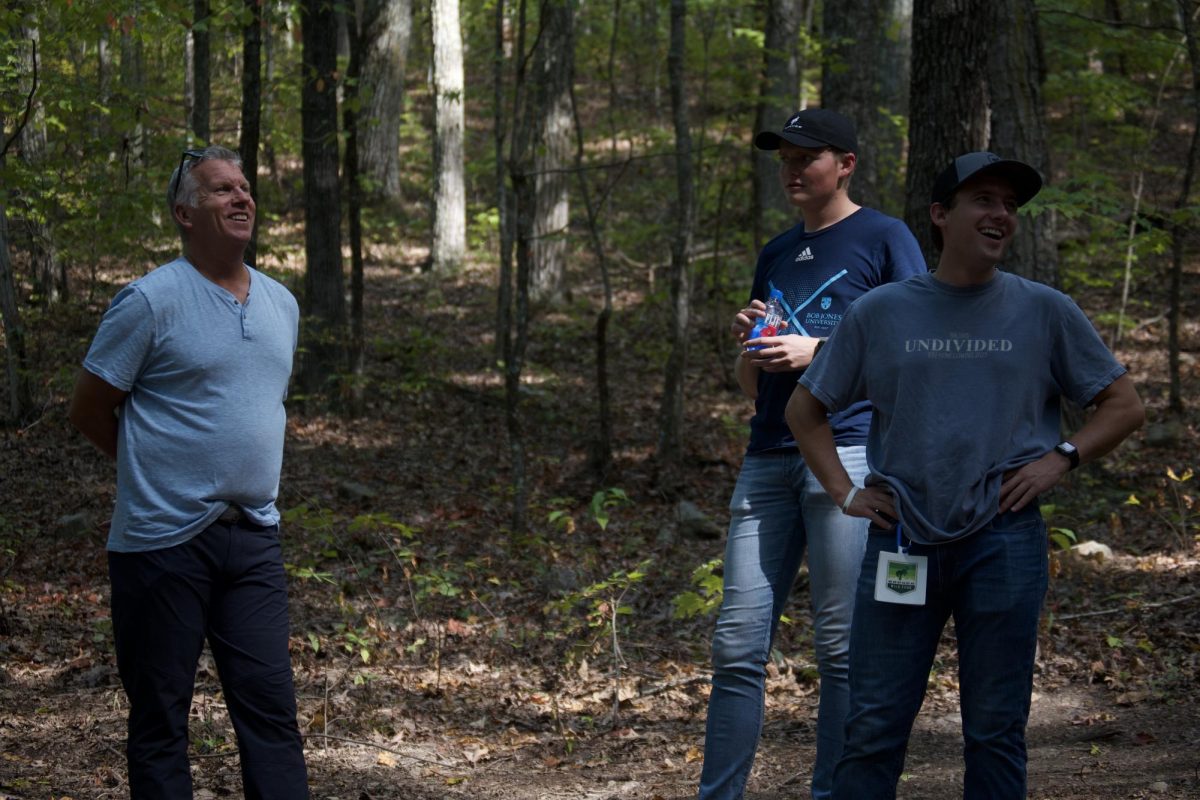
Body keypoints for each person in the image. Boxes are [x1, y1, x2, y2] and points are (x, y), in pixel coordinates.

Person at [786, 151, 1145, 799]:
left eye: (1009, 205)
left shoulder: (1044, 310)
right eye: (983, 200)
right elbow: (805, 409)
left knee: (995, 729)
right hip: (903, 538)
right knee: (872, 727)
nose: (1001, 214)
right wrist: (844, 491)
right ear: (940, 215)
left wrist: (1059, 458)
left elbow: (1123, 404)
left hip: (1004, 542)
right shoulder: (881, 312)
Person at [697, 109, 926, 800]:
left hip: (849, 454)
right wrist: (749, 343)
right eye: (785, 159)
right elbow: (749, 385)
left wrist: (817, 349)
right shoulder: (776, 250)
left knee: (841, 648)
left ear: (846, 163)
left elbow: (915, 343)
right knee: (737, 648)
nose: (794, 170)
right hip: (767, 455)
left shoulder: (885, 238)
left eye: (809, 157)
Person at [69, 145, 309, 799]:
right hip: (161, 544)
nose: (241, 198)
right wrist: (154, 474)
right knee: (159, 723)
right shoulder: (149, 301)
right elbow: (90, 408)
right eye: (220, 190)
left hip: (254, 538)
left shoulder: (281, 305)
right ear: (183, 213)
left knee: (271, 716)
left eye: (245, 188)